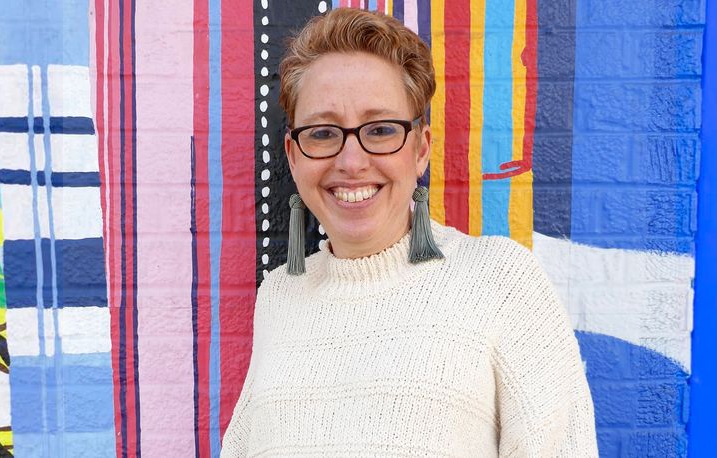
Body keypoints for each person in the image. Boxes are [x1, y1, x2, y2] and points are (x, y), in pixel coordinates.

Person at [221, 8, 597, 457]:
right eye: (323, 133)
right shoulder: (280, 295)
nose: (352, 161)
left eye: (380, 130)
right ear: (294, 154)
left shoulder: (499, 281)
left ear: (420, 150)